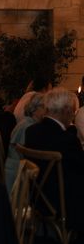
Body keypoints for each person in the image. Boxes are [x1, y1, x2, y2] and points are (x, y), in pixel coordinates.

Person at [25, 88, 84, 232]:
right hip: (62, 203)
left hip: (38, 197)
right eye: (73, 111)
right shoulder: (67, 140)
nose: (73, 116)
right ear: (65, 110)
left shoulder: (31, 131)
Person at [4, 92, 44, 193]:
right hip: (17, 172)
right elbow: (26, 153)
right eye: (44, 107)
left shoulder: (26, 122)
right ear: (35, 109)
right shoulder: (27, 127)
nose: (47, 111)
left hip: (14, 168)